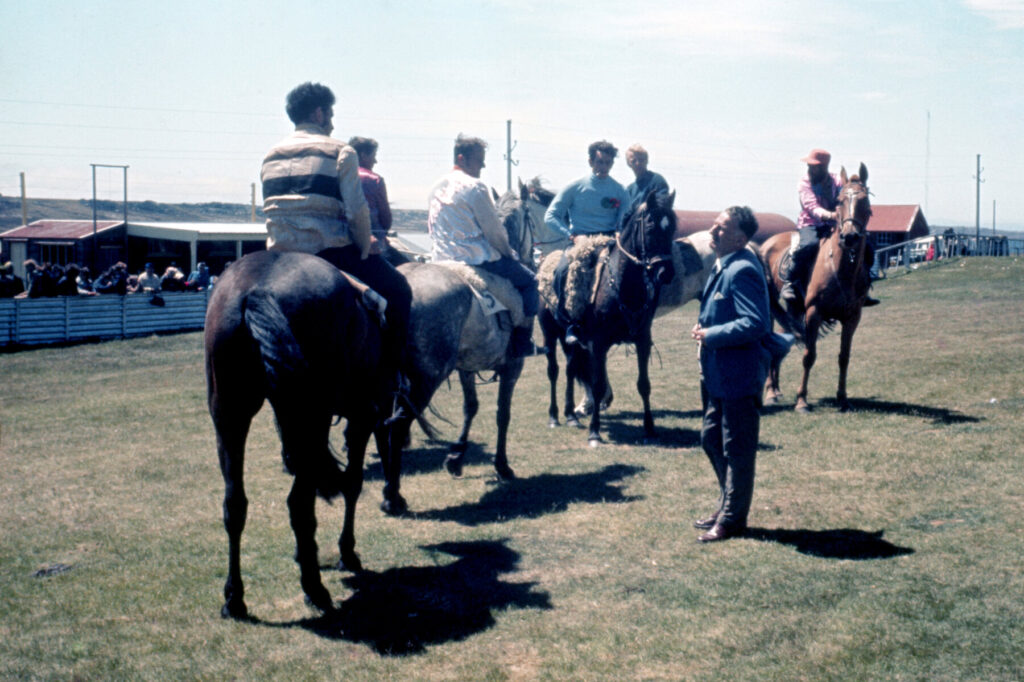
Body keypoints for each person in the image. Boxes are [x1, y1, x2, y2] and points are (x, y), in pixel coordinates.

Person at [261, 81, 412, 398]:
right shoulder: (340, 150)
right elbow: (357, 212)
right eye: (330, 113)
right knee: (400, 290)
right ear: (319, 112)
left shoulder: (271, 155)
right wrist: (364, 243)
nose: (331, 120)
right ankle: (392, 375)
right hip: (326, 251)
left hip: (277, 255)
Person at [690, 206, 772, 543]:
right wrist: (705, 325)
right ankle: (728, 504)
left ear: (740, 237)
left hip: (739, 374)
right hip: (718, 374)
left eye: (722, 227)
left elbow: (755, 323)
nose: (713, 230)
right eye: (715, 224)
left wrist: (712, 334)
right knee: (711, 437)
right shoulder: (723, 264)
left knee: (737, 449)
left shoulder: (742, 269)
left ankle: (732, 519)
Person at [427, 134, 541, 358]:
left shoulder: (435, 186)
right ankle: (522, 342)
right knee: (530, 282)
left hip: (440, 259)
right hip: (476, 259)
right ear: (462, 158)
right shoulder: (475, 187)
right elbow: (495, 232)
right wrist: (509, 253)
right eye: (479, 160)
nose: (483, 165)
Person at [544, 140, 631, 345]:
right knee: (562, 271)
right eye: (600, 162)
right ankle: (570, 324)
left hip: (609, 240)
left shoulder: (619, 190)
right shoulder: (576, 186)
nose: (603, 167)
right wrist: (571, 235)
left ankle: (627, 321)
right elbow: (551, 216)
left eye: (608, 163)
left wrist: (619, 231)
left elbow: (624, 219)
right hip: (580, 240)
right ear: (591, 161)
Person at [782, 148, 878, 306]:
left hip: (837, 226)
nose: (810, 169)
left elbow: (847, 194)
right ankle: (790, 281)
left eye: (814, 166)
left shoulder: (837, 181)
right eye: (810, 166)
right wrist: (831, 215)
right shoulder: (805, 182)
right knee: (808, 245)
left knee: (867, 247)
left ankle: (863, 289)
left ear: (824, 167)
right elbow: (811, 207)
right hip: (811, 224)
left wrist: (857, 189)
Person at [348, 136, 403, 262]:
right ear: (363, 156)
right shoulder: (374, 179)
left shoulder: (338, 175)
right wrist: (382, 234)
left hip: (342, 241)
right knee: (406, 275)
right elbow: (385, 220)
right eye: (374, 155)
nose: (376, 161)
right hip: (372, 245)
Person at [624, 144, 670, 214]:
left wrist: (648, 204)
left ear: (647, 161)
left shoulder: (657, 180)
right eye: (633, 161)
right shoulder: (630, 189)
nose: (638, 163)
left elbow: (664, 199)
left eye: (641, 160)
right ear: (629, 164)